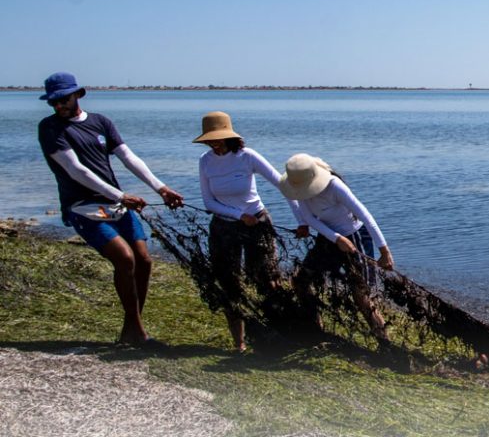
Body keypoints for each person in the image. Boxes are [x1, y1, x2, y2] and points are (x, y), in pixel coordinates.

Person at [37, 72, 184, 346]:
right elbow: (75, 169)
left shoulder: (100, 122)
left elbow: (128, 157)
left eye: (63, 99)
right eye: (53, 102)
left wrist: (160, 188)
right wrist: (121, 194)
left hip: (114, 205)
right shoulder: (50, 128)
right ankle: (138, 334)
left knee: (144, 260)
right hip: (83, 207)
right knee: (124, 259)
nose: (58, 106)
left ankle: (130, 329)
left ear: (78, 94)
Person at [195, 111, 299, 351]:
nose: (214, 143)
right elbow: (208, 202)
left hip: (258, 223)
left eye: (218, 138)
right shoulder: (205, 161)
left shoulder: (247, 156)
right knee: (229, 283)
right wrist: (238, 215)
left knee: (267, 280)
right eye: (209, 140)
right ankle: (239, 343)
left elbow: (283, 185)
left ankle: (277, 335)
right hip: (224, 226)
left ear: (229, 137)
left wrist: (301, 221)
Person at [277, 153, 394, 344]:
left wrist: (384, 251)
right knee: (301, 281)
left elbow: (365, 215)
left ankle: (384, 342)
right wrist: (336, 238)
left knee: (361, 294)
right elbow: (309, 218)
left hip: (355, 236)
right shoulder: (299, 189)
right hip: (328, 239)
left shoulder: (334, 186)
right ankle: (316, 329)